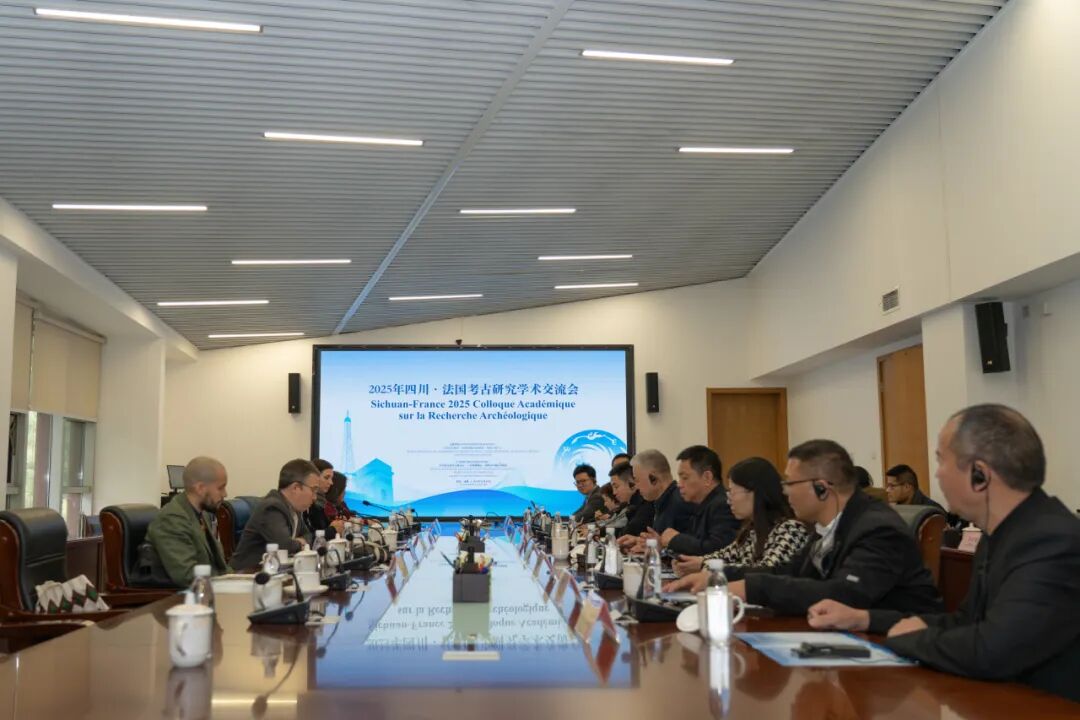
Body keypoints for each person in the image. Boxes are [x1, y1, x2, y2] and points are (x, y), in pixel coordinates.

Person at [807, 405, 1080, 702]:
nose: (936, 474)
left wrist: (913, 639)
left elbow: (992, 650)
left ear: (979, 474)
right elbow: (966, 622)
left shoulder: (1051, 541)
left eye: (941, 460)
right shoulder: (1001, 534)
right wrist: (865, 619)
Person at [666, 440, 941, 619]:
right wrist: (718, 577)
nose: (785, 492)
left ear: (821, 488)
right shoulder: (831, 527)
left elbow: (845, 595)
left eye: (790, 484)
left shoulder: (876, 528)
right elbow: (788, 571)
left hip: (896, 658)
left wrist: (750, 587)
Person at [670, 457, 810, 579]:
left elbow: (767, 572)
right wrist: (694, 562)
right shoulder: (752, 530)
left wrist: (704, 565)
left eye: (732, 492)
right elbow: (725, 555)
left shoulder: (791, 529)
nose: (728, 500)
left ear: (755, 493)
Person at [145, 456, 231, 586]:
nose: (225, 494)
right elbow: (186, 575)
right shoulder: (171, 519)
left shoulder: (202, 514)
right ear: (200, 488)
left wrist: (237, 580)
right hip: (181, 595)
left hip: (209, 588)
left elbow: (219, 566)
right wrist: (229, 584)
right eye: (220, 488)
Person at [230, 459, 320, 571]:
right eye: (314, 490)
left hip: (274, 572)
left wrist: (299, 542)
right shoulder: (272, 507)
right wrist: (299, 542)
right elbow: (284, 546)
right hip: (247, 574)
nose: (315, 497)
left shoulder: (294, 508)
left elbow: (308, 535)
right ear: (296, 488)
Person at [655, 445, 740, 555]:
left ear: (707, 478)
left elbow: (718, 550)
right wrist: (662, 545)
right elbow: (694, 545)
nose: (679, 484)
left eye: (685, 478)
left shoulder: (723, 505)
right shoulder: (700, 504)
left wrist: (676, 539)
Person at [618, 449, 694, 550]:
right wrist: (641, 542)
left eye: (637, 480)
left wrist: (660, 548)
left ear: (653, 478)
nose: (636, 486)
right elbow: (662, 542)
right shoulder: (662, 501)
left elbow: (693, 550)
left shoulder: (682, 502)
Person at [608, 461, 653, 537]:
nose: (614, 493)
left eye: (616, 487)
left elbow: (627, 534)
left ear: (632, 484)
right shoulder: (629, 504)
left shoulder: (646, 503)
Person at [304, 460, 345, 537]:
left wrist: (336, 525)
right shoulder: (305, 504)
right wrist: (332, 529)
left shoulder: (321, 503)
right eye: (326, 478)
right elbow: (308, 535)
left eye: (331, 478)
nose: (331, 483)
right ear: (314, 478)